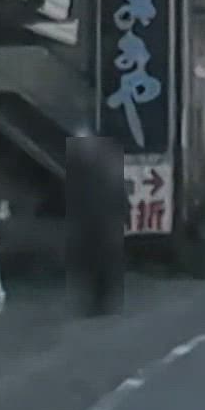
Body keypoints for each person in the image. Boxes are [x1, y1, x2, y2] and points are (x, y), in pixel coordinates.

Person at [63, 130, 129, 317]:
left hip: (103, 223)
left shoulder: (94, 172)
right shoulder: (85, 172)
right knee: (95, 264)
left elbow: (119, 196)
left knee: (102, 264)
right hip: (96, 224)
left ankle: (103, 301)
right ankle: (100, 302)